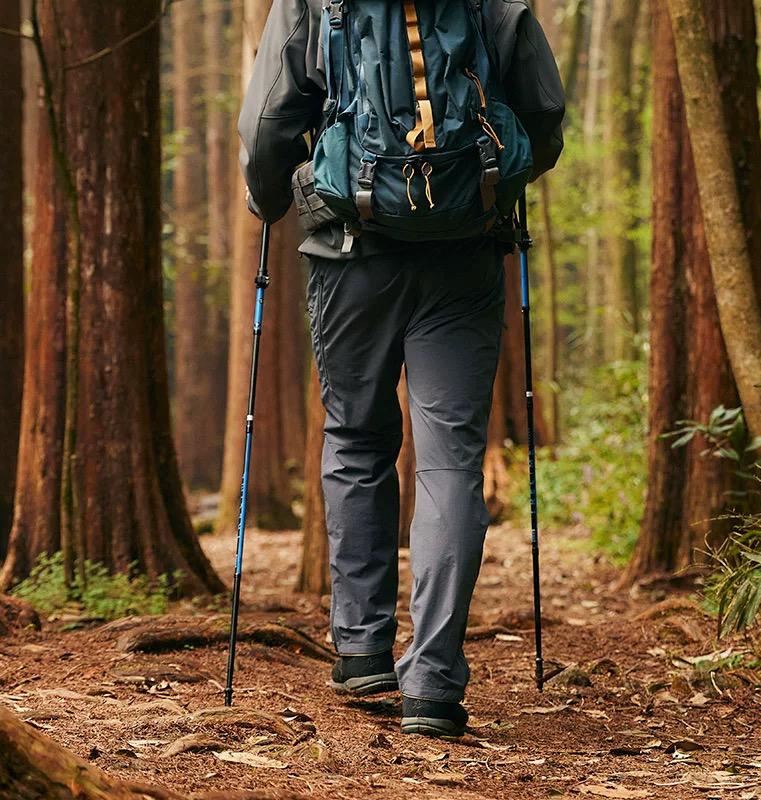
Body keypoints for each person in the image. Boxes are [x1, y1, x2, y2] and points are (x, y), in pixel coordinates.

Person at [239, 0, 564, 738]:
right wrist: (491, 186)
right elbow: (543, 112)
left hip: (350, 249)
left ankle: (361, 650)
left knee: (355, 438)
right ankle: (435, 685)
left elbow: (267, 124)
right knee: (450, 463)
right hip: (466, 251)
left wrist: (266, 197)